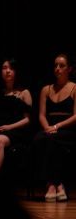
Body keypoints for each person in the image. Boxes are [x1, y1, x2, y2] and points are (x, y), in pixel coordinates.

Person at [33, 53, 76, 202]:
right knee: (40, 138)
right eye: (55, 65)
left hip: (67, 129)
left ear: (69, 69)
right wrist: (48, 128)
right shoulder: (46, 89)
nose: (57, 68)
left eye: (62, 66)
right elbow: (41, 115)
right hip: (50, 129)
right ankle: (57, 184)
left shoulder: (74, 88)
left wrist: (57, 126)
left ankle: (52, 183)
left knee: (54, 140)